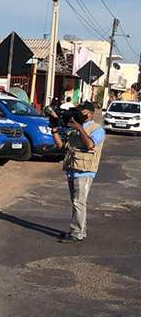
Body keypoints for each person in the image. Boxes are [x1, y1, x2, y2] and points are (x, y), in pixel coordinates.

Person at [52, 101, 105, 243]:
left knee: (79, 202)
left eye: (81, 112)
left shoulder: (97, 129)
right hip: (72, 169)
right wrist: (54, 130)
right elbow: (61, 145)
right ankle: (79, 230)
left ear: (90, 114)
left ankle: (77, 233)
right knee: (76, 202)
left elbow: (90, 144)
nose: (77, 114)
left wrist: (80, 128)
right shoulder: (75, 128)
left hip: (84, 171)